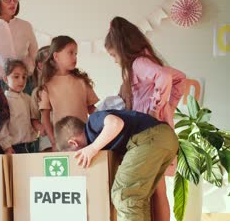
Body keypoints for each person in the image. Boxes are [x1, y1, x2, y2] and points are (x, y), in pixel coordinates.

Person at [105, 16, 186, 220]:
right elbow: (179, 78)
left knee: (141, 192)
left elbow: (166, 77)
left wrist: (155, 110)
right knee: (156, 191)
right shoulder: (146, 61)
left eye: (114, 55)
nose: (115, 61)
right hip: (158, 134)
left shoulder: (138, 63)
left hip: (149, 136)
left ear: (122, 49)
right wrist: (168, 107)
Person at [54, 111, 178, 221]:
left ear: (73, 143)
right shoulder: (102, 141)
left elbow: (115, 124)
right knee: (137, 199)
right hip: (162, 139)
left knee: (124, 194)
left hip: (151, 137)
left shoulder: (93, 122)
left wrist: (92, 148)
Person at [38, 36, 99, 151]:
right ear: (56, 56)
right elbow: (45, 117)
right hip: (61, 142)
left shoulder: (81, 81)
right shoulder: (48, 85)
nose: (74, 57)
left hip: (83, 139)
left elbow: (92, 110)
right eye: (70, 53)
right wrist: (53, 141)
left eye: (76, 54)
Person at [0, 59, 38, 154]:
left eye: (24, 77)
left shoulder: (28, 98)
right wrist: (6, 146)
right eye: (16, 77)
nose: (21, 80)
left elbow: (33, 119)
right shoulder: (4, 100)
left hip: (30, 145)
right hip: (14, 147)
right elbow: (3, 127)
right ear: (6, 79)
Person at [30, 45, 51, 152]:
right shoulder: (37, 92)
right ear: (40, 65)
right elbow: (34, 118)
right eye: (49, 61)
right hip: (47, 141)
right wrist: (40, 127)